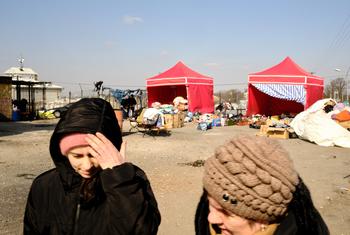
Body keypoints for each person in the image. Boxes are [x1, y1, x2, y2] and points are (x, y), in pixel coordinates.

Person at [24, 98, 161, 235]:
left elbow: (143, 230)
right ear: (63, 154)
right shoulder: (44, 185)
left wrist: (120, 180)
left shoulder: (132, 179)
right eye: (77, 156)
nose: (87, 166)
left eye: (93, 155)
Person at [195, 135, 329, 235]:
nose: (210, 218)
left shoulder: (304, 227)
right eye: (210, 203)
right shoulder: (210, 215)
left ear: (263, 221)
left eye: (226, 213)